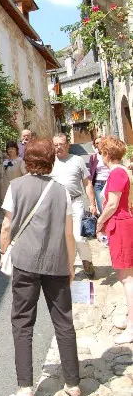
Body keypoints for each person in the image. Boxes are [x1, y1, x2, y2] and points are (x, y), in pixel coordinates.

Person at [0, 138, 81, 396]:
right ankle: (73, 384)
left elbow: (6, 225)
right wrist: (70, 264)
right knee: (64, 322)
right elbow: (69, 233)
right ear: (51, 160)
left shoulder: (16, 186)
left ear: (27, 160)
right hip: (56, 263)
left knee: (22, 323)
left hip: (24, 262)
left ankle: (25, 387)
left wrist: (4, 252)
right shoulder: (61, 191)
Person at [96, 136, 133, 345]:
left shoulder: (117, 173)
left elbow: (112, 204)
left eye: (102, 151)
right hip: (119, 225)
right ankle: (130, 318)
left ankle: (132, 326)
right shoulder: (117, 172)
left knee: (127, 278)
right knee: (124, 276)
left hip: (120, 225)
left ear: (107, 154)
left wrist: (99, 223)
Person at [51, 133, 98, 279]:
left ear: (67, 145)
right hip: (56, 205)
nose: (59, 147)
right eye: (56, 144)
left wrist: (92, 203)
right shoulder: (49, 163)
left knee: (79, 237)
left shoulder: (77, 160)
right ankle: (67, 268)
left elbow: (87, 183)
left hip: (76, 202)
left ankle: (87, 262)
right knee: (61, 239)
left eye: (61, 144)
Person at [89, 137, 110, 215]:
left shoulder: (110, 154)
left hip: (110, 182)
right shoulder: (93, 157)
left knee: (111, 205)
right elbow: (91, 173)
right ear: (95, 145)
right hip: (98, 184)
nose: (99, 144)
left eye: (101, 142)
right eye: (97, 143)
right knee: (101, 207)